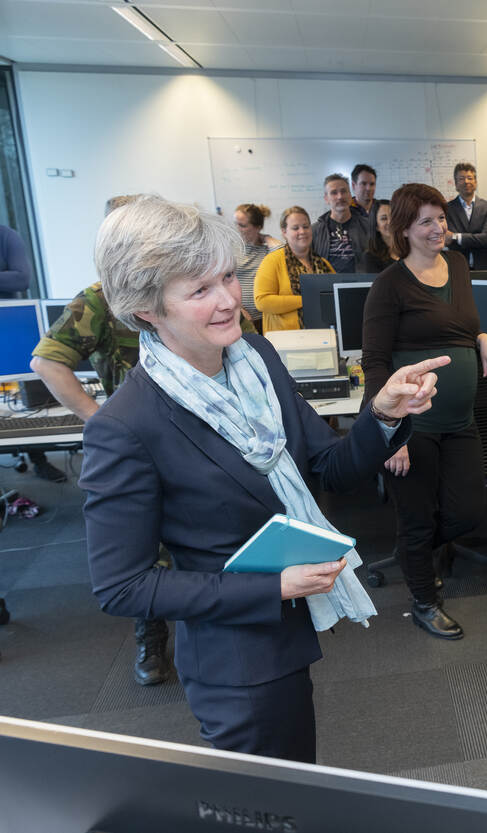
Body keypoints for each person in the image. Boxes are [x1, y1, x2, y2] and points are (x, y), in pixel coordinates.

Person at [79, 195, 445, 762]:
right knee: (267, 796)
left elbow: (328, 466)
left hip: (285, 637)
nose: (229, 299)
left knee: (294, 781)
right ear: (147, 308)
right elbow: (122, 587)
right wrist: (273, 587)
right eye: (200, 290)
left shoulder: (256, 356)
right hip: (235, 663)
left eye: (228, 276)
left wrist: (383, 414)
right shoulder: (127, 425)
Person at [31, 194, 257, 687]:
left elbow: (241, 343)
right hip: (146, 433)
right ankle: (151, 637)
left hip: (211, 428)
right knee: (145, 553)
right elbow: (47, 361)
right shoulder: (99, 300)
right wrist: (98, 419)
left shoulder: (198, 290)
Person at [362, 184, 487, 639]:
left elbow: (463, 326)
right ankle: (425, 600)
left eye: (441, 218)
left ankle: (415, 551)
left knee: (468, 511)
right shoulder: (389, 285)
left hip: (460, 421)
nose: (437, 228)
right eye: (425, 221)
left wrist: (484, 337)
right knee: (416, 518)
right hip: (413, 426)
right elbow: (374, 363)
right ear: (404, 230)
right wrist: (389, 431)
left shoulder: (458, 266)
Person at [0, 222, 65, 483]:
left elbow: (22, 278)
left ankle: (39, 459)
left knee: (28, 384)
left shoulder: (6, 235)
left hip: (9, 321)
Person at [254, 206, 334, 332]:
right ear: (284, 232)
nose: (302, 231)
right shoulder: (272, 261)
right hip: (285, 339)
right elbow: (262, 301)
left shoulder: (323, 264)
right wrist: (306, 300)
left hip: (322, 335)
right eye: (295, 228)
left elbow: (334, 296)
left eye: (306, 226)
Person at [233, 203, 282, 329]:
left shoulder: (266, 251)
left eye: (242, 225)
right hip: (239, 317)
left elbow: (282, 250)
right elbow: (223, 284)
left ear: (257, 227)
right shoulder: (231, 250)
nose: (236, 229)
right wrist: (238, 309)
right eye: (236, 224)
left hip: (265, 318)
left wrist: (265, 237)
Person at [445, 162, 487, 271]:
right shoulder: (447, 209)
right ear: (456, 184)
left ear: (475, 182)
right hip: (457, 266)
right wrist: (480, 239)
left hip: (485, 266)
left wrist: (456, 236)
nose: (466, 181)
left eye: (470, 178)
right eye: (461, 178)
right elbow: (448, 240)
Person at [312, 173, 371, 273]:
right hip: (326, 282)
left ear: (350, 195)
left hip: (361, 282)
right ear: (326, 199)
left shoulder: (368, 226)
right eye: (334, 193)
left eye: (344, 191)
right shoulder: (314, 231)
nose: (340, 197)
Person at [361, 199, 396, 273]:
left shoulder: (410, 250)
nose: (390, 222)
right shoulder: (370, 257)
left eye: (393, 216)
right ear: (376, 226)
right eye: (384, 218)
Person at [350, 163, 380, 227]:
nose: (368, 188)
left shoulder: (382, 208)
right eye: (363, 184)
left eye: (372, 184)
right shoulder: (346, 211)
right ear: (353, 185)